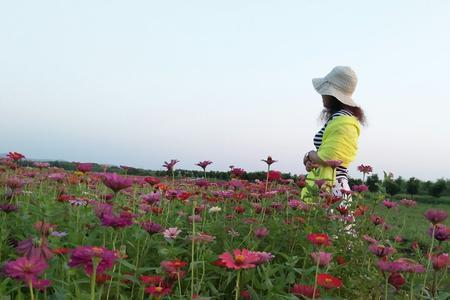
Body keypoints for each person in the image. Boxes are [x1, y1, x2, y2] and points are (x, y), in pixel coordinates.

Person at [301, 66, 366, 202]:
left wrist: (310, 155)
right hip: (328, 184)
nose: (322, 95)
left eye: (325, 92)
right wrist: (310, 160)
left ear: (333, 95)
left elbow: (328, 158)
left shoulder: (344, 121)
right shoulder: (338, 118)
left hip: (334, 187)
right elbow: (325, 157)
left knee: (327, 222)